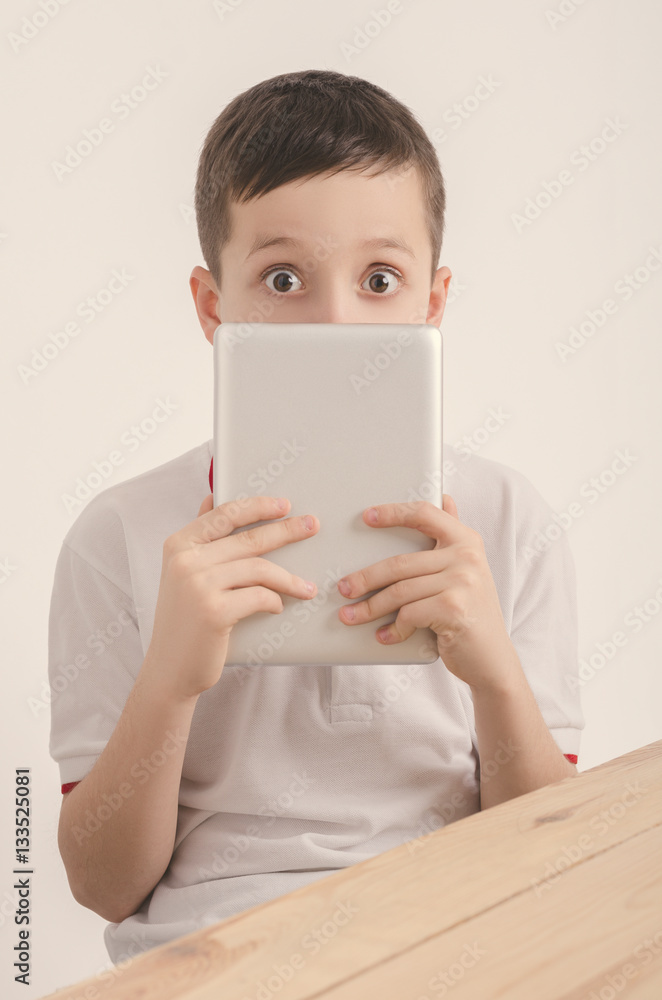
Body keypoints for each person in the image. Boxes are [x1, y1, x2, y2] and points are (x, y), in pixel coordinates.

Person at [48, 68, 584, 966]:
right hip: (215, 952)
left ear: (433, 305)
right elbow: (104, 885)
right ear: (215, 308)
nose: (335, 322)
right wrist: (171, 682)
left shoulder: (509, 520)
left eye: (380, 278)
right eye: (284, 276)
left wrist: (493, 677)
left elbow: (552, 863)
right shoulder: (119, 537)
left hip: (461, 938)